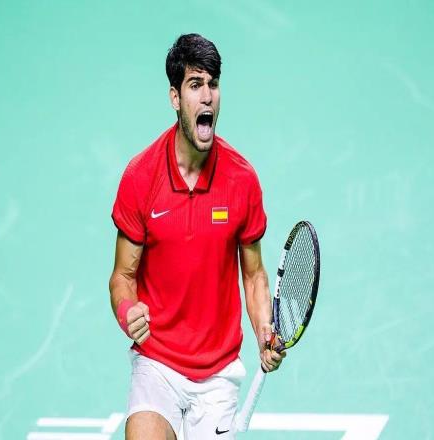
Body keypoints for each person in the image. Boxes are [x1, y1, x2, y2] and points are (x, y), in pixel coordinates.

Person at [109, 33, 285, 440]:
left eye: (213, 84)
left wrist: (264, 329)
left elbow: (254, 274)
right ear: (175, 97)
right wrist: (127, 311)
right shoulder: (141, 178)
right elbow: (122, 275)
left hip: (218, 374)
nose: (207, 96)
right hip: (158, 363)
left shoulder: (241, 179)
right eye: (194, 85)